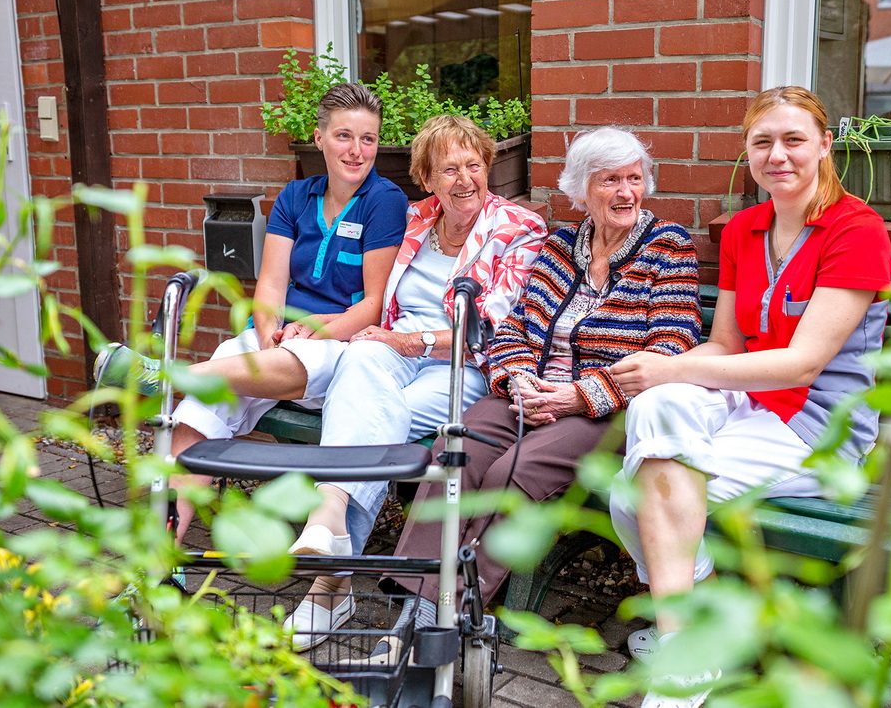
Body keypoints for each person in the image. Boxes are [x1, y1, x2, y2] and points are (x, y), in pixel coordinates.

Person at [365, 126, 703, 662]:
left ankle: (454, 614)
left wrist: (580, 395)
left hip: (607, 408)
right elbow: (514, 329)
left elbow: (672, 346)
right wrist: (519, 380)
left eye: (634, 179)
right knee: (455, 449)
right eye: (610, 181)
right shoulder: (563, 246)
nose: (625, 192)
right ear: (581, 190)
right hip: (532, 393)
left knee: (513, 471)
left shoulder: (668, 247)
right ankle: (419, 610)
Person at [609, 87, 891, 708]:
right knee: (655, 409)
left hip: (817, 425)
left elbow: (804, 362)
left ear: (825, 145)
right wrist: (667, 374)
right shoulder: (744, 229)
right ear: (747, 151)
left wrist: (671, 369)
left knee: (633, 493)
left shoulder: (856, 229)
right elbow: (725, 345)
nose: (777, 155)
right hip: (751, 406)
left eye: (794, 140)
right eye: (762, 142)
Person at [96, 82, 408, 541]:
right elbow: (271, 287)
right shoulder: (296, 197)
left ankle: (169, 376)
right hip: (275, 343)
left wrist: (312, 333)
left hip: (340, 345)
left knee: (276, 361)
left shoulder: (385, 200)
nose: (357, 151)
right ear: (319, 138)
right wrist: (268, 337)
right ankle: (162, 552)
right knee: (200, 411)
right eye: (344, 136)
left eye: (368, 139)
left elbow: (373, 304)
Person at [282, 115, 548, 651]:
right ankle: (331, 523)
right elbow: (375, 298)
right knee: (362, 365)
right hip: (393, 349)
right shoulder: (415, 219)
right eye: (449, 169)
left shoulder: (519, 228)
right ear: (426, 178)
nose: (465, 179)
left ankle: (330, 580)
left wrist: (409, 342)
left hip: (463, 366)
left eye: (474, 165)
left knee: (374, 413)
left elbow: (491, 325)